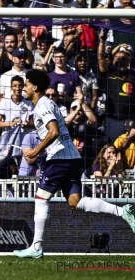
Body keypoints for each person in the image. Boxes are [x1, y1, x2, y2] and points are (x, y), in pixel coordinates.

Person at [13, 69, 135, 259]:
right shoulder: (47, 103)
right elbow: (57, 132)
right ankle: (123, 211)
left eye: (26, 84)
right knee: (75, 201)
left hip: (60, 159)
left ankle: (36, 247)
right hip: (70, 157)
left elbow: (53, 132)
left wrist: (36, 152)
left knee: (41, 199)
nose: (24, 88)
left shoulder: (42, 105)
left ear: (34, 87)